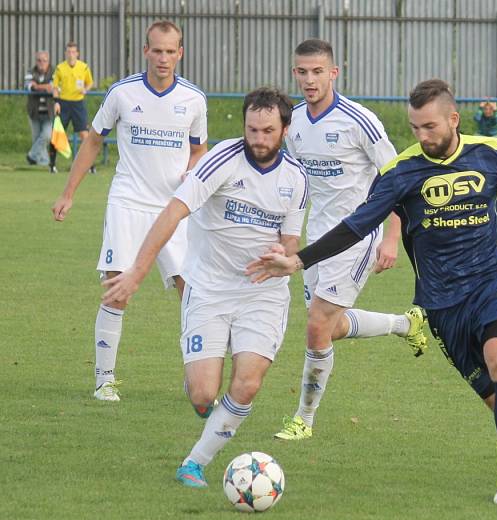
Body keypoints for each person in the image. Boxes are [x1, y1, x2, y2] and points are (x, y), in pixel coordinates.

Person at [246, 79, 497, 506]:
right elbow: (357, 225)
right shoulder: (401, 172)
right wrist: (300, 260)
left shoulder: (494, 152)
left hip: (492, 280)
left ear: (453, 119)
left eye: (429, 127)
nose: (422, 137)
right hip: (441, 302)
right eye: (414, 128)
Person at [101, 87, 307, 488]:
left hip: (261, 292)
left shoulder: (296, 178)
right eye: (252, 129)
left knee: (247, 383)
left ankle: (194, 462)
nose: (259, 139)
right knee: (202, 394)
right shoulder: (220, 161)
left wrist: (284, 255)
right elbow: (173, 213)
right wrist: (136, 275)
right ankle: (200, 382)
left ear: (285, 128)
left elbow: (292, 240)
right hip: (208, 287)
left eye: (268, 131)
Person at [272, 39, 428, 441]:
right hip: (318, 237)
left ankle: (303, 419)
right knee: (331, 327)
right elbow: (294, 182)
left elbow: (398, 177)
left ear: (333, 73)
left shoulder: (359, 120)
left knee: (316, 326)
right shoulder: (295, 123)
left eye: (317, 71)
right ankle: (403, 324)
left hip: (359, 235)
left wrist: (391, 237)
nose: (309, 79)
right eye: (302, 72)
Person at [51, 21, 208, 401]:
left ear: (180, 54)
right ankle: (105, 379)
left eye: (171, 51)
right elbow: (92, 141)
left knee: (192, 293)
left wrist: (191, 176)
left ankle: (196, 379)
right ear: (145, 51)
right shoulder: (122, 93)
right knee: (116, 289)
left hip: (171, 209)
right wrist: (69, 193)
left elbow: (199, 149)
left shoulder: (193, 99)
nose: (164, 58)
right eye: (157, 50)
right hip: (127, 202)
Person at [52, 41, 94, 174]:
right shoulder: (60, 68)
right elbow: (55, 87)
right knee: (57, 133)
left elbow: (90, 82)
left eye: (73, 52)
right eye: (69, 52)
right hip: (63, 103)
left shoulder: (84, 67)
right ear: (65, 53)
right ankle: (52, 165)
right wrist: (56, 102)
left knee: (85, 136)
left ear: (77, 53)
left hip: (78, 104)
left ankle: (90, 166)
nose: (71, 54)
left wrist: (85, 90)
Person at [24, 50, 55, 168]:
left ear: (48, 61)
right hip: (34, 112)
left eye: (44, 60)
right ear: (36, 61)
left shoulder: (55, 72)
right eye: (39, 60)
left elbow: (53, 87)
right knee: (37, 139)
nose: (41, 62)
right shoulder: (30, 72)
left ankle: (31, 156)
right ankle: (43, 162)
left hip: (49, 112)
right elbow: (29, 86)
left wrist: (37, 86)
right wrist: (43, 87)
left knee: (46, 136)